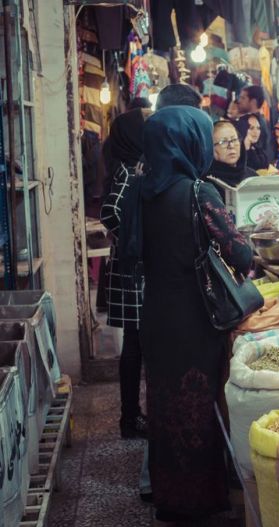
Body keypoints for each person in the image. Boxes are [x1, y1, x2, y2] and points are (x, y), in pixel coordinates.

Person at [140, 106, 252, 527]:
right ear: (192, 142)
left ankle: (170, 500)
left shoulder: (142, 191)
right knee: (198, 409)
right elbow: (239, 252)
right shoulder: (197, 192)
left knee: (166, 410)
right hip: (194, 316)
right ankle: (201, 502)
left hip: (156, 315)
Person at [100, 108, 148, 440]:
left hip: (129, 270)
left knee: (135, 345)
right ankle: (130, 419)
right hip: (133, 272)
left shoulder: (128, 167)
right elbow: (109, 211)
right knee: (135, 346)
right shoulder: (129, 172)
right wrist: (134, 241)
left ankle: (131, 417)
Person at [207, 120, 256, 195]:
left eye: (234, 140)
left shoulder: (252, 177)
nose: (231, 146)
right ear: (211, 148)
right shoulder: (207, 183)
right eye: (223, 142)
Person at [236, 85, 276, 167]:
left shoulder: (251, 123)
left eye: (243, 98)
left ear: (253, 102)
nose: (239, 101)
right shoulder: (264, 121)